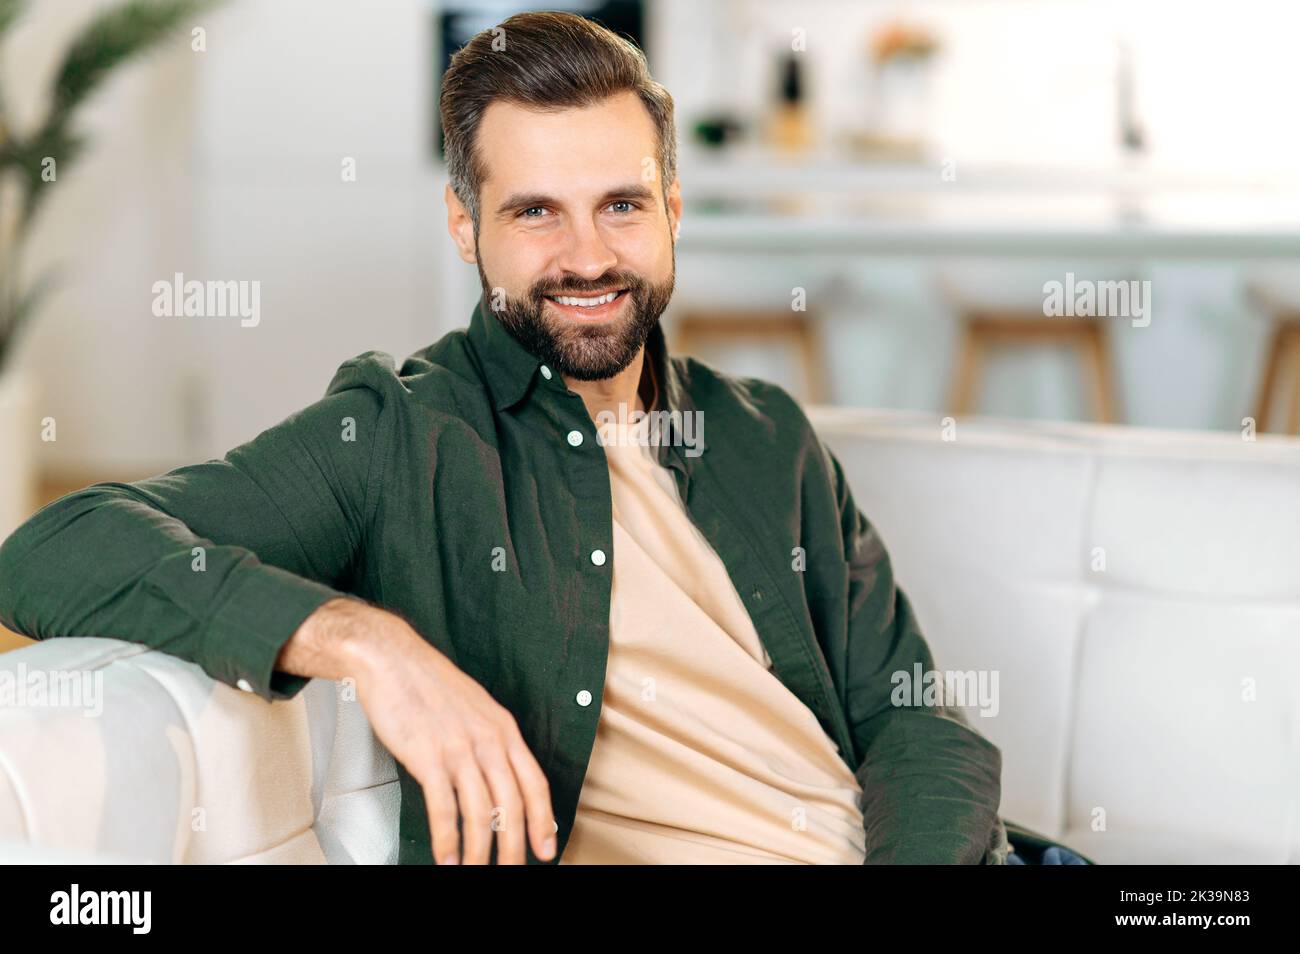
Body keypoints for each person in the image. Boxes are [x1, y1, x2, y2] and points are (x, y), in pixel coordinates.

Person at [0, 11, 1014, 866]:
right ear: (462, 223)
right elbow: (54, 548)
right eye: (535, 212)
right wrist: (368, 642)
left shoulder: (766, 436)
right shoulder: (399, 434)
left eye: (621, 204)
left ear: (672, 207)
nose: (586, 256)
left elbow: (914, 721)